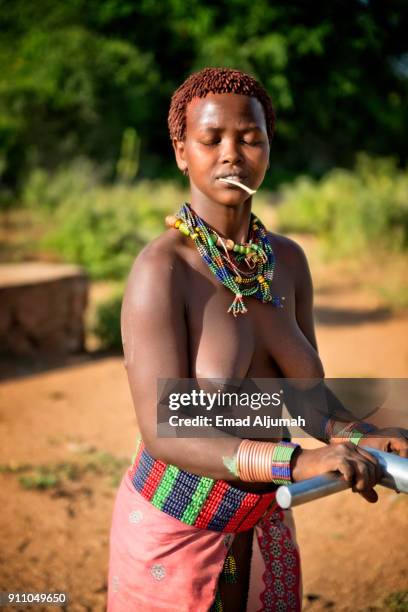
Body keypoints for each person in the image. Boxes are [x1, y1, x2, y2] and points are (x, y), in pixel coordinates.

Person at [107, 67, 408, 612]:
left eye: (249, 138)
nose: (231, 154)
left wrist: (364, 436)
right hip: (176, 534)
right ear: (181, 152)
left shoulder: (287, 262)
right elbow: (165, 433)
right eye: (211, 139)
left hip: (266, 524)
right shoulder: (162, 271)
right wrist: (297, 463)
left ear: (268, 147)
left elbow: (305, 398)